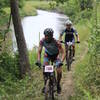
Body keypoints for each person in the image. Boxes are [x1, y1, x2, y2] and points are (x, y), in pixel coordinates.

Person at [36, 28, 65, 94]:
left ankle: (58, 84)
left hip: (56, 56)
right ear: (45, 35)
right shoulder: (42, 41)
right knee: (45, 70)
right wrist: (38, 60)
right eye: (46, 35)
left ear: (52, 36)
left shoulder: (56, 42)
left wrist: (61, 61)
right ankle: (45, 84)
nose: (48, 37)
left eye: (50, 35)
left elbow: (63, 53)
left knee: (59, 71)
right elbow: (39, 51)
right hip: (47, 55)